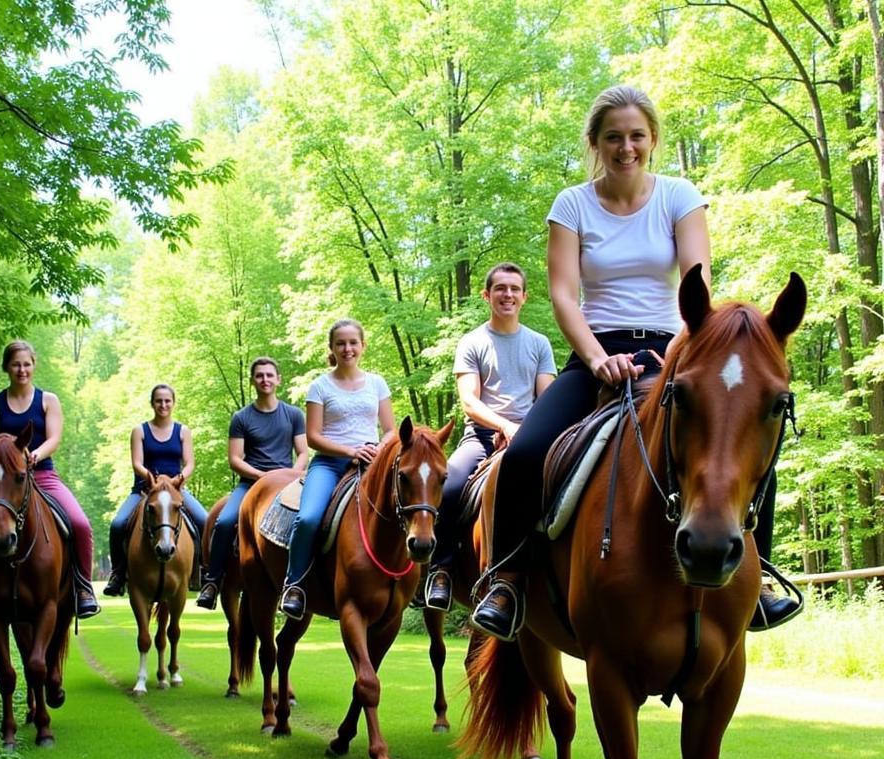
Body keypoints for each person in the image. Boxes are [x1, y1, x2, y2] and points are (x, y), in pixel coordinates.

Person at [471, 83, 799, 643]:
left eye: (637, 136)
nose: (627, 147)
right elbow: (563, 296)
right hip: (594, 354)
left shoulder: (679, 196)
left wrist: (675, 356)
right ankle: (507, 580)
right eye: (614, 137)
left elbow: (697, 285)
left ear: (652, 140)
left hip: (674, 352)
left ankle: (759, 572)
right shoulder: (571, 205)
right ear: (596, 142)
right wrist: (598, 360)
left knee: (751, 431)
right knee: (525, 451)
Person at [423, 263, 556, 611]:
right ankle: (442, 569)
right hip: (481, 437)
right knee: (448, 486)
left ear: (524, 297)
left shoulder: (539, 344)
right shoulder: (473, 342)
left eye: (514, 289)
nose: (507, 294)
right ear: (487, 295)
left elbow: (548, 397)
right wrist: (503, 427)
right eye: (500, 288)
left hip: (529, 437)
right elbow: (470, 401)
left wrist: (521, 433)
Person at [0, 339, 100, 620]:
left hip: (42, 474)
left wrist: (35, 454)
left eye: (27, 364)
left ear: (34, 366)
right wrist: (8, 459)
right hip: (5, 483)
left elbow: (55, 437)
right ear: (7, 367)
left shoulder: (48, 400)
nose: (22, 370)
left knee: (80, 523)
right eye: (16, 364)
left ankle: (83, 588)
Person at [278, 319, 396, 621]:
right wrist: (350, 450)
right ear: (332, 348)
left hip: (372, 463)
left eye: (353, 343)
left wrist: (378, 450)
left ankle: (413, 580)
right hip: (330, 463)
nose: (347, 348)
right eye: (340, 343)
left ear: (363, 346)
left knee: (406, 506)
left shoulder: (377, 383)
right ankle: (295, 585)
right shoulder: (319, 386)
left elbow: (390, 430)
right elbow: (314, 436)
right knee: (308, 518)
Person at [196, 357, 309, 609]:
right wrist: (261, 477)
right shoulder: (241, 417)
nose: (265, 380)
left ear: (278, 379)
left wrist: (292, 473)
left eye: (269, 375)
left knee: (311, 521)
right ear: (252, 381)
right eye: (259, 376)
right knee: (224, 523)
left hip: (288, 485)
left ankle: (303, 583)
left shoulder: (293, 414)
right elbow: (235, 459)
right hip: (250, 485)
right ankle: (212, 581)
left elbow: (303, 452)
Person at [102, 384, 209, 598]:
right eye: (159, 401)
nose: (163, 405)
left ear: (173, 403)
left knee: (205, 520)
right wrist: (152, 479)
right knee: (118, 524)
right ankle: (118, 573)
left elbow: (189, 464)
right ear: (152, 403)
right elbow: (137, 463)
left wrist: (178, 479)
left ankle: (205, 573)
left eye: (167, 400)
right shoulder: (140, 431)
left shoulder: (182, 431)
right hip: (144, 491)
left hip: (176, 492)